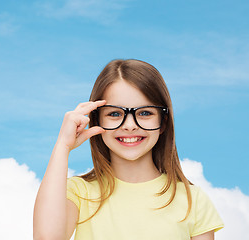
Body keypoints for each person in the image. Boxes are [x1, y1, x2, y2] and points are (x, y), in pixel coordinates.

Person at [33, 59, 224, 240]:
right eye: (115, 113)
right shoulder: (78, 192)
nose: (130, 125)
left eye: (145, 113)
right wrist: (62, 146)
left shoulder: (193, 200)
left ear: (163, 123)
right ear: (97, 120)